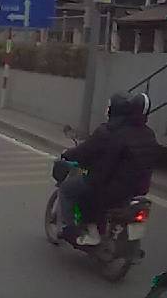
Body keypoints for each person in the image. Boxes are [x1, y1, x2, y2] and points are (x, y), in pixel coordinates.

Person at [57, 92, 158, 246]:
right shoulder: (149, 134)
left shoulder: (115, 132)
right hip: (139, 188)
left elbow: (101, 159)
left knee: (69, 189)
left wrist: (78, 161)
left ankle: (79, 231)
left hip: (113, 187)